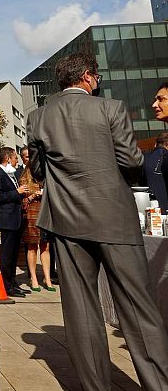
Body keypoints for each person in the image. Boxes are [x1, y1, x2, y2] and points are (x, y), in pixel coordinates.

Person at [27, 52, 168, 390]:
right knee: (138, 307)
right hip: (114, 216)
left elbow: (36, 170)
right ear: (88, 77)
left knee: (81, 310)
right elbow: (133, 162)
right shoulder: (110, 108)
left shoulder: (37, 117)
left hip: (65, 220)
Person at [0, 147, 29, 297]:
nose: (17, 160)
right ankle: (6, 285)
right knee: (7, 254)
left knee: (14, 254)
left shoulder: (12, 175)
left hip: (16, 219)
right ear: (8, 158)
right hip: (7, 219)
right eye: (15, 157)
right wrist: (17, 192)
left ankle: (12, 282)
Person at [18, 167, 54, 292]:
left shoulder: (45, 180)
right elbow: (22, 203)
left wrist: (45, 193)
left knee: (46, 247)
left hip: (44, 216)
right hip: (31, 217)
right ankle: (33, 278)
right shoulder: (24, 180)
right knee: (32, 247)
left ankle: (47, 278)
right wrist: (33, 196)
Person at [142, 132, 168, 212]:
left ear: (155, 144)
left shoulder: (144, 157)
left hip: (148, 207)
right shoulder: (165, 156)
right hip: (165, 208)